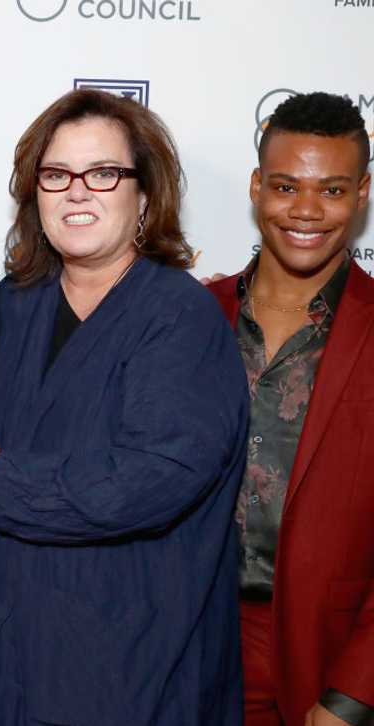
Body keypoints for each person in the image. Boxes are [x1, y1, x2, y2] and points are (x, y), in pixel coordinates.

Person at [0, 89, 249, 726]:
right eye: (56, 174)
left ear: (145, 195)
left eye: (103, 173)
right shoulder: (11, 304)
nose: (77, 192)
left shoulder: (181, 317)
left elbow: (153, 479)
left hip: (128, 667)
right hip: (3, 654)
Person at [206, 92, 374, 726]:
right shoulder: (192, 315)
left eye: (331, 190)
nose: (306, 210)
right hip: (184, 642)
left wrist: (351, 697)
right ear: (257, 187)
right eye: (285, 186)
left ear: (362, 194)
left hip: (325, 661)